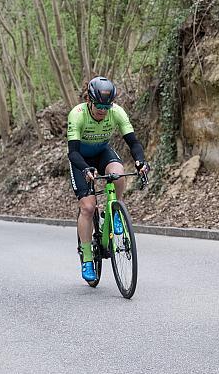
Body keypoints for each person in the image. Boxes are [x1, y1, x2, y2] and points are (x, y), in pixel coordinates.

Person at [67, 76, 150, 282]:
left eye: (107, 106)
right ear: (89, 100)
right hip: (81, 159)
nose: (103, 110)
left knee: (118, 172)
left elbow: (133, 142)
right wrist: (86, 168)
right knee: (87, 207)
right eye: (99, 106)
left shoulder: (117, 112)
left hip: (103, 151)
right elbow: (73, 153)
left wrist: (140, 161)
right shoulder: (77, 114)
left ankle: (115, 212)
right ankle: (87, 258)